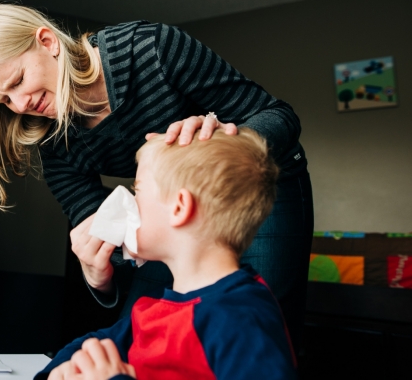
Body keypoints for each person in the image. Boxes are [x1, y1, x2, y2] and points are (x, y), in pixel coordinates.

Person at [0, 4, 313, 351]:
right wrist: (100, 278)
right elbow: (111, 239)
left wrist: (221, 139)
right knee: (140, 334)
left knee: (262, 325)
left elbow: (279, 116)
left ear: (48, 42)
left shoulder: (151, 48)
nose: (21, 105)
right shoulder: (51, 142)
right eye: (5, 100)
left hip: (263, 183)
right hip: (172, 214)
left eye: (18, 81)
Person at [35, 130, 297, 380]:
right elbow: (94, 344)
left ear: (179, 207)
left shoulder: (241, 321)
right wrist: (57, 372)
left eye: (138, 191)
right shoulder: (161, 308)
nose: (130, 202)